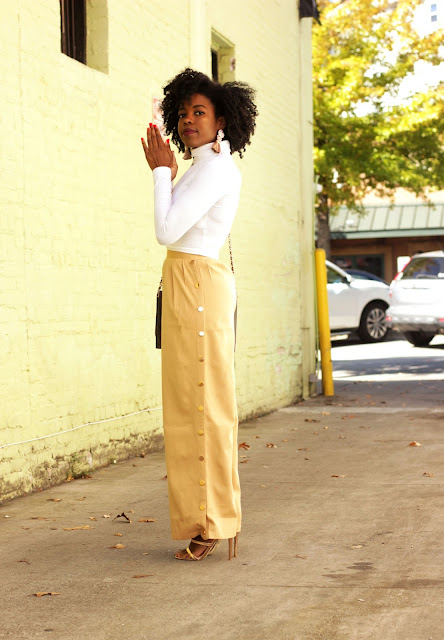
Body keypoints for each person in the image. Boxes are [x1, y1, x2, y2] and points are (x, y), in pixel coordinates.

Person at [141, 68, 258, 561]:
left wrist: (160, 172)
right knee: (188, 406)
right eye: (184, 112)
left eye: (200, 112)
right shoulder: (203, 166)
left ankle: (213, 522)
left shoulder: (214, 170)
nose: (189, 119)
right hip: (188, 282)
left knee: (203, 405)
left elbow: (167, 231)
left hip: (197, 286)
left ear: (221, 120)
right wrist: (169, 173)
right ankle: (205, 519)